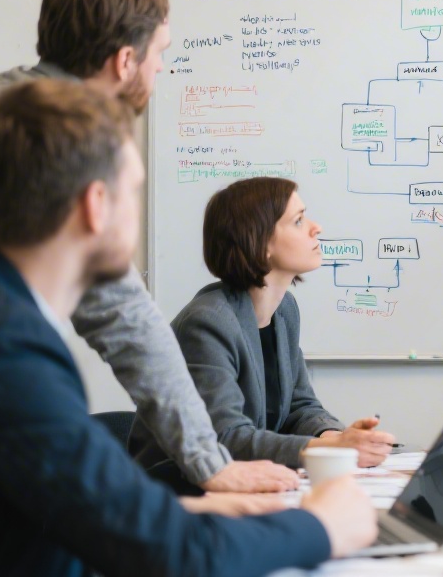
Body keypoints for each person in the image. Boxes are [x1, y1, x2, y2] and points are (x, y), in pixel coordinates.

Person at [0, 80, 378, 576]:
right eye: (134, 191)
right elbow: (169, 554)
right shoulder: (1, 353)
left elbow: (79, 515)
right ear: (96, 205)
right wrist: (322, 526)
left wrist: (189, 512)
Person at [0, 0, 293, 494]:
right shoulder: (51, 142)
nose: (161, 69)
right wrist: (213, 466)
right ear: (125, 61)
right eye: (161, 53)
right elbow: (127, 318)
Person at [132, 177, 395, 471]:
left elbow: (300, 406)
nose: (316, 227)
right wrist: (328, 449)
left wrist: (335, 437)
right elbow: (225, 439)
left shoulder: (284, 311)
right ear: (260, 241)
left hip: (247, 480)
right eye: (298, 221)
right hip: (177, 485)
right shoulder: (207, 324)